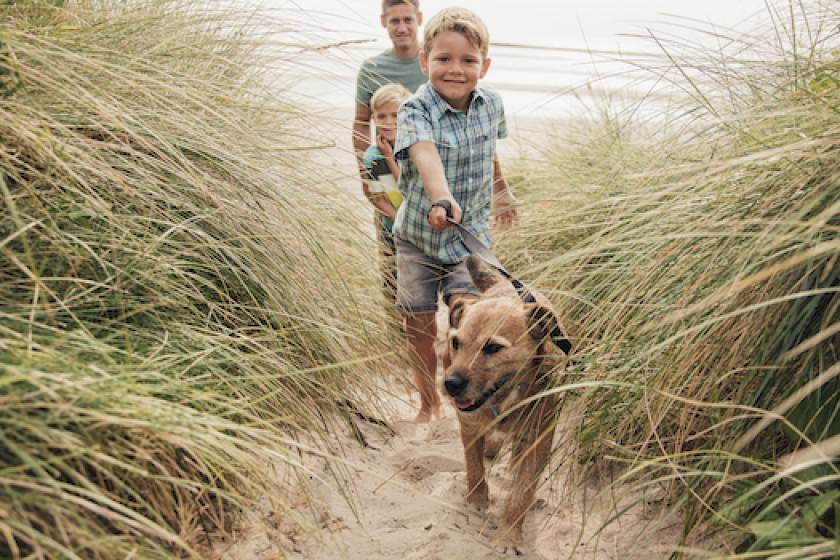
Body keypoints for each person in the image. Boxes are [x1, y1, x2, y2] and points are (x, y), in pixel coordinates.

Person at [392, 7, 517, 423]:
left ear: (485, 65)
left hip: (470, 238)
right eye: (443, 59)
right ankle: (428, 404)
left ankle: (471, 385)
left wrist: (501, 191)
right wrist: (440, 197)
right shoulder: (414, 110)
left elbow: (489, 153)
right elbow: (424, 154)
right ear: (425, 61)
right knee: (420, 322)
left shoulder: (492, 104)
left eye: (468, 60)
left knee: (474, 313)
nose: (455, 69)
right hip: (418, 237)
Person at [362, 83, 412, 303]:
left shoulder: (416, 149)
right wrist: (396, 219)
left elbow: (409, 187)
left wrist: (390, 158)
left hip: (419, 224)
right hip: (391, 226)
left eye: (396, 115)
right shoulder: (373, 157)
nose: (389, 122)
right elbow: (377, 197)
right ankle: (395, 330)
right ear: (373, 118)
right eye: (382, 116)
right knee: (392, 280)